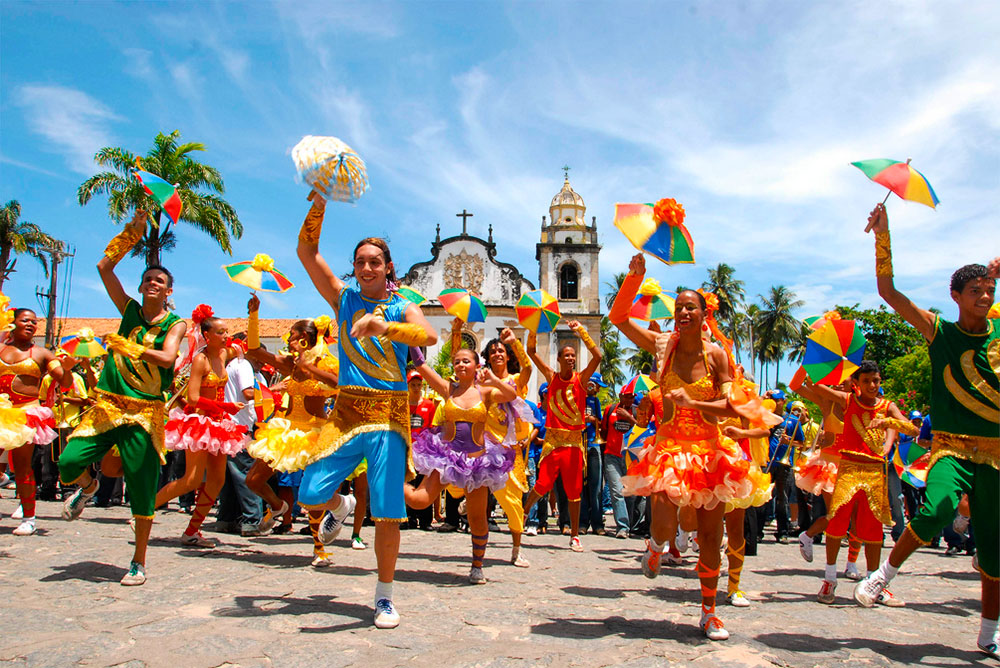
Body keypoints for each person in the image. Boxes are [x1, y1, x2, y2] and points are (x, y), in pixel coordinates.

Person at [853, 203, 999, 658]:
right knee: (936, 507)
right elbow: (888, 291)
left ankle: (988, 634)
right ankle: (884, 575)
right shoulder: (940, 333)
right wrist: (884, 234)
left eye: (990, 289)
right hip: (951, 450)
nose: (985, 296)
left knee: (995, 551)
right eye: (975, 290)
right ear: (956, 295)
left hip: (997, 454)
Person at [296, 192, 437, 629]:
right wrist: (318, 202)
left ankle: (384, 596)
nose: (367, 268)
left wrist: (384, 325)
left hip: (390, 416)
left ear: (388, 267)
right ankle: (340, 506)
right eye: (360, 261)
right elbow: (306, 251)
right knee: (309, 493)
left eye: (375, 261)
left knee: (389, 510)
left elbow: (429, 338)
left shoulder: (402, 306)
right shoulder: (342, 300)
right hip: (349, 412)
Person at [609, 252, 752, 641]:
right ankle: (655, 546)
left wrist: (696, 403)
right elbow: (619, 318)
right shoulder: (661, 346)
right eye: (679, 307)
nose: (683, 312)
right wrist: (632, 279)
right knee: (663, 524)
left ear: (705, 315)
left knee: (710, 535)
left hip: (708, 452)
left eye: (691, 308)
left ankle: (709, 613)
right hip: (669, 449)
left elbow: (730, 405)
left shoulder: (718, 355)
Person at [58, 210, 187, 585]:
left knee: (143, 490)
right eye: (147, 278)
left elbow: (167, 357)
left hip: (145, 414)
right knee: (68, 461)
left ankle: (139, 560)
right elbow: (103, 268)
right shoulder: (129, 309)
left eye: (159, 281)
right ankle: (88, 485)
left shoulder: (173, 323)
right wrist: (132, 232)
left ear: (168, 291)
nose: (152, 283)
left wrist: (129, 349)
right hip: (108, 406)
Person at [404, 343, 517, 583]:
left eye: (466, 361)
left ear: (477, 365)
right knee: (418, 500)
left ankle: (477, 566)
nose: (461, 364)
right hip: (446, 458)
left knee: (477, 518)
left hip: (476, 464)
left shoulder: (485, 392)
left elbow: (511, 395)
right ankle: (387, 478)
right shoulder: (448, 389)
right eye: (457, 361)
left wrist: (494, 379)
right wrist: (412, 339)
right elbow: (421, 366)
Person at [804, 360, 914, 606]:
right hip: (850, 468)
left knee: (874, 530)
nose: (872, 385)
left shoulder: (887, 406)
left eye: (876, 380)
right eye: (866, 381)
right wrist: (825, 363)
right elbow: (814, 385)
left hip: (876, 472)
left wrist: (888, 423)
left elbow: (912, 429)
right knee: (837, 525)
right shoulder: (847, 401)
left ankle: (874, 583)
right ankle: (829, 579)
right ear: (856, 383)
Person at [243, 301, 343, 566]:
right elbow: (253, 350)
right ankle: (277, 507)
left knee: (312, 495)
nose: (290, 342)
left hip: (315, 432)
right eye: (290, 338)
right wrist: (254, 315)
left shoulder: (327, 364)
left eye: (296, 338)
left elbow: (338, 385)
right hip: (285, 430)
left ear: (309, 341)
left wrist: (310, 369)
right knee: (252, 480)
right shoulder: (289, 365)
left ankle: (319, 548)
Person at [156, 311, 249, 547]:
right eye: (221, 332)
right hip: (200, 423)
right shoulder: (201, 360)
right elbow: (193, 397)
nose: (226, 335)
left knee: (216, 482)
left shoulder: (224, 353)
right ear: (206, 335)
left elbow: (253, 346)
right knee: (192, 480)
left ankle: (192, 530)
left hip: (219, 425)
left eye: (227, 331)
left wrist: (253, 313)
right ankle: (145, 510)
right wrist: (225, 404)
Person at [521, 320, 603, 552]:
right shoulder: (551, 376)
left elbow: (597, 356)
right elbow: (531, 352)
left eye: (572, 355)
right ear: (559, 359)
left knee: (574, 490)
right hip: (553, 443)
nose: (570, 358)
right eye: (566, 355)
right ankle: (525, 512)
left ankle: (575, 535)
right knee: (542, 483)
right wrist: (533, 329)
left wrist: (582, 332)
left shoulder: (581, 380)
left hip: (574, 444)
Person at [0, 305, 67, 535]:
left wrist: (65, 368)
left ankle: (29, 517)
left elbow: (63, 378)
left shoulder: (42, 353)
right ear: (13, 322)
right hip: (1, 411)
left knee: (21, 466)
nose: (31, 324)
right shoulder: (0, 349)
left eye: (34, 321)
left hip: (25, 413)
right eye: (26, 320)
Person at [482, 327, 537, 567]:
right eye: (493, 351)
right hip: (485, 447)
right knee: (461, 477)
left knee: (514, 501)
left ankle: (516, 549)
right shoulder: (481, 382)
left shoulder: (515, 381)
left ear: (507, 355)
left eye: (500, 350)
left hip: (510, 451)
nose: (496, 354)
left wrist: (515, 342)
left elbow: (528, 369)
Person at [601, 387, 637, 539]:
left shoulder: (636, 411)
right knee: (616, 491)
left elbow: (643, 429)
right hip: (612, 456)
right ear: (621, 396)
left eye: (632, 397)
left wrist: (629, 418)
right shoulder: (610, 410)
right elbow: (603, 431)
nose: (630, 400)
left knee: (631, 494)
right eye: (627, 396)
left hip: (630, 457)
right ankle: (622, 526)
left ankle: (631, 525)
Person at [406, 369, 437, 531]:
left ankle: (425, 520)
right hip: (407, 449)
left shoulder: (429, 405)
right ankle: (409, 518)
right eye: (413, 385)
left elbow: (432, 427)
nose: (416, 388)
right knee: (409, 483)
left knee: (423, 484)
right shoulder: (403, 404)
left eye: (419, 385)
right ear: (408, 385)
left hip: (423, 450)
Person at [581, 374, 606, 535]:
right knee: (581, 486)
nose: (596, 389)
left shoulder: (595, 401)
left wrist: (593, 419)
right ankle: (582, 522)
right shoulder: (579, 398)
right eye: (595, 386)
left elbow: (600, 421)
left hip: (594, 443)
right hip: (581, 443)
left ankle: (597, 523)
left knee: (596, 486)